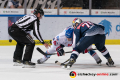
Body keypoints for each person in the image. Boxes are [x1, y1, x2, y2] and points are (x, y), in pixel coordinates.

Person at [37, 25, 102, 65]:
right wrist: (58, 49)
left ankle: (97, 58)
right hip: (62, 43)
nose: (68, 39)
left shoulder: (78, 35)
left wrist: (84, 49)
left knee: (88, 48)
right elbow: (54, 41)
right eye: (67, 37)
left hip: (75, 42)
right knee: (51, 50)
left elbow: (87, 41)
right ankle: (43, 59)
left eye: (69, 38)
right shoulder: (62, 36)